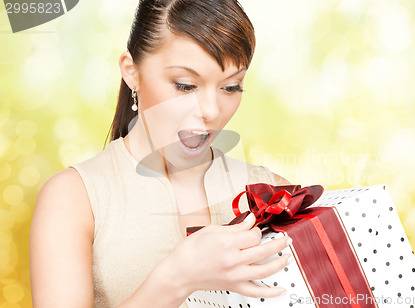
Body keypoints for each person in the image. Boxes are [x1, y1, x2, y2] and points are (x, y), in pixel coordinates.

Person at [29, 0, 293, 307]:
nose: (210, 111)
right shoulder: (75, 198)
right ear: (132, 72)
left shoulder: (272, 193)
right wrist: (178, 278)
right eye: (185, 86)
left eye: (231, 87)